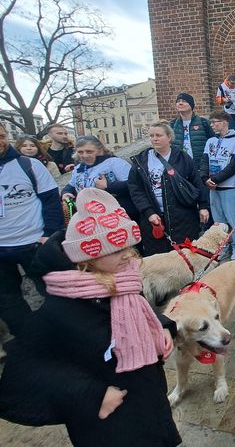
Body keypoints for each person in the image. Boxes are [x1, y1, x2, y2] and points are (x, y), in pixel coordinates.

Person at [0, 188, 181, 447]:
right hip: (109, 429)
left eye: (128, 246)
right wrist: (91, 395)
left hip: (148, 407)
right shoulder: (58, 309)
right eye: (116, 249)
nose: (129, 256)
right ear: (88, 257)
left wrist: (163, 327)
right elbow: (22, 377)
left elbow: (139, 310)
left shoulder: (123, 280)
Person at [0, 123, 63, 339]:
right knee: (7, 300)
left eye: (1, 136)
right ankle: (30, 338)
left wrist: (49, 234)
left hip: (33, 241)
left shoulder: (29, 165)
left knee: (54, 290)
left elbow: (51, 201)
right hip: (1, 246)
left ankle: (62, 334)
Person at [128, 121, 209, 256]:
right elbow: (136, 188)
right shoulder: (140, 160)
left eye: (159, 135)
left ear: (169, 137)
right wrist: (148, 212)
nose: (155, 139)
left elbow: (197, 181)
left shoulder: (182, 158)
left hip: (182, 216)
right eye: (152, 135)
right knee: (158, 258)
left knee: (184, 256)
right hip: (153, 217)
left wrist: (203, 206)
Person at [61, 135, 136, 220]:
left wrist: (109, 186)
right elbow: (72, 185)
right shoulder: (80, 167)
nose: (84, 155)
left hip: (116, 215)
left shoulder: (115, 163)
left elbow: (134, 184)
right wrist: (66, 193)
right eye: (80, 152)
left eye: (89, 152)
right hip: (89, 216)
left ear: (100, 150)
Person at [201, 113, 235, 260]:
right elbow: (205, 161)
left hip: (229, 186)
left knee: (233, 219)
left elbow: (233, 165)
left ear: (225, 123)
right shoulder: (211, 141)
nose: (212, 125)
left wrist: (217, 179)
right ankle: (223, 246)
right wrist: (205, 178)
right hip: (213, 187)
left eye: (215, 122)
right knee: (218, 221)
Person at [169, 92, 215, 169]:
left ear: (191, 105)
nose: (180, 103)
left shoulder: (203, 122)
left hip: (200, 167)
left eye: (184, 101)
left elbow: (213, 142)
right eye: (178, 101)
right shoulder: (172, 124)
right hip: (179, 167)